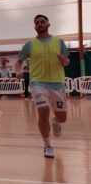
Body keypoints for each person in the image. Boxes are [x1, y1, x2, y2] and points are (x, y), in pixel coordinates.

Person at [15, 14, 69, 159]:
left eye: (42, 21)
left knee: (62, 117)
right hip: (37, 83)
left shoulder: (59, 42)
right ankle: (47, 145)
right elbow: (19, 61)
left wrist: (63, 60)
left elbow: (66, 62)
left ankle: (56, 122)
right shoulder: (30, 44)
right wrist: (18, 71)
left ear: (48, 24)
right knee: (43, 111)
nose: (39, 24)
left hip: (57, 83)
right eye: (37, 22)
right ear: (35, 26)